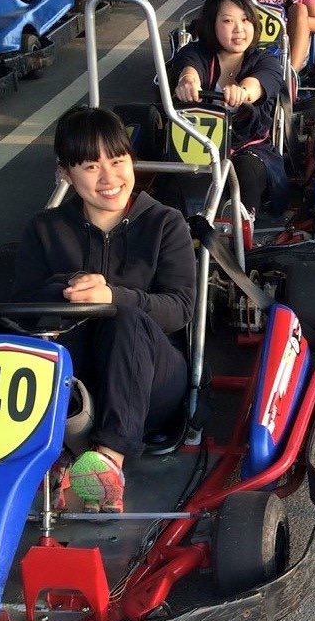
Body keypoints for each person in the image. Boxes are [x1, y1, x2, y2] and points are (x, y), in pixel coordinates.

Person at [12, 106, 197, 512]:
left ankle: (107, 464)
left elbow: (180, 308)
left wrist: (113, 297)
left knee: (124, 318)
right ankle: (46, 447)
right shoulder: (45, 229)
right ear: (65, 173)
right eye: (91, 167)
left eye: (117, 161)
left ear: (132, 161)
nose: (109, 178)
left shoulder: (165, 224)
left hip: (152, 383)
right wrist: (69, 289)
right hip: (74, 385)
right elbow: (22, 311)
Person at [170, 0, 288, 216]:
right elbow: (188, 67)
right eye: (227, 21)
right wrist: (188, 82)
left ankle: (240, 227)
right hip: (197, 146)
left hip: (248, 146)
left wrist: (243, 92)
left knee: (244, 174)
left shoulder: (266, 61)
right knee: (172, 186)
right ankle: (177, 228)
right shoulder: (197, 53)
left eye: (245, 20)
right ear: (212, 24)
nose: (239, 29)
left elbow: (258, 84)